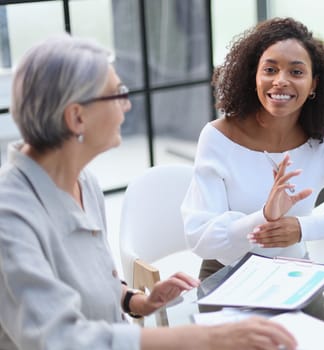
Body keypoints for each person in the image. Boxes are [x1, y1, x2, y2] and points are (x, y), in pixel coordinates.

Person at [0, 34, 297, 350]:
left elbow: (85, 279)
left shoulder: (82, 182)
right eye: (116, 94)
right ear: (77, 117)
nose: (126, 104)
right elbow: (61, 340)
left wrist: (135, 300)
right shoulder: (10, 218)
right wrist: (205, 338)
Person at [181, 17, 324, 323]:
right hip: (229, 275)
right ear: (253, 77)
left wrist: (302, 228)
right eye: (270, 69)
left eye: (296, 72)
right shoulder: (219, 137)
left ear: (313, 84)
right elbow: (202, 237)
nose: (281, 80)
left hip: (296, 272)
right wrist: (265, 219)